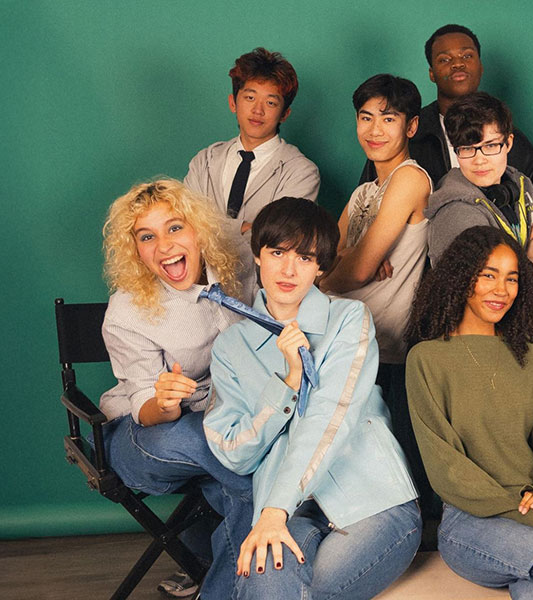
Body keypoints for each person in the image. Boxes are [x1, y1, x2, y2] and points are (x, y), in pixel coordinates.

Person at [203, 198, 421, 599]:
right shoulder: (231, 347)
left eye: (305, 257)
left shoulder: (349, 320)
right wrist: (288, 381)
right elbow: (234, 452)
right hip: (292, 513)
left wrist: (273, 511)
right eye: (278, 252)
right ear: (257, 254)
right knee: (264, 581)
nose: (289, 270)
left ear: (321, 266)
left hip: (372, 501)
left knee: (306, 592)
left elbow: (328, 416)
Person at [404, 226, 533, 599]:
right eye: (488, 275)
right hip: (471, 523)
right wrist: (524, 508)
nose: (502, 290)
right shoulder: (428, 358)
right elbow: (446, 467)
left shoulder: (530, 353)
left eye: (512, 279)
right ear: (461, 278)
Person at [99, 178, 253, 600]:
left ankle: (220, 586)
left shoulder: (237, 268)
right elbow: (144, 407)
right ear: (136, 250)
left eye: (174, 227)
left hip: (224, 426)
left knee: (243, 484)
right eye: (147, 236)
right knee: (242, 459)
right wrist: (164, 402)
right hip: (145, 436)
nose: (164, 245)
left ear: (198, 230)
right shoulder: (127, 310)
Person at [319, 73, 436, 542]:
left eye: (388, 118)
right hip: (346, 341)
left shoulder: (410, 179)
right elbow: (323, 256)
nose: (374, 129)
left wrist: (347, 264)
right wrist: (343, 262)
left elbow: (355, 269)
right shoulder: (365, 189)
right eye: (365, 118)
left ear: (410, 127)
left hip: (386, 347)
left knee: (393, 466)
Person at [183, 47, 320, 288]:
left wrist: (209, 227)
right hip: (198, 290)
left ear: (285, 113)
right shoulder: (204, 161)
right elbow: (184, 227)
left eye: (270, 102)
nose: (258, 110)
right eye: (249, 97)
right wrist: (245, 228)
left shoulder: (302, 172)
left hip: (262, 300)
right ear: (233, 103)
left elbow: (278, 242)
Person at [360, 24, 533, 197]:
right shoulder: (407, 134)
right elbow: (367, 201)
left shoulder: (513, 141)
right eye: (445, 59)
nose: (457, 64)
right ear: (432, 74)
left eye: (467, 56)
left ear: (481, 68)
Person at [424, 92, 533, 283]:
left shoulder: (523, 185)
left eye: (490, 146)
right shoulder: (455, 210)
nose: (479, 160)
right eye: (467, 148)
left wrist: (514, 268)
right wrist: (528, 256)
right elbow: (481, 286)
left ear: (509, 143)